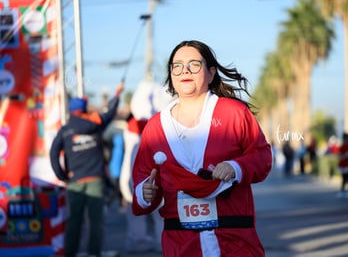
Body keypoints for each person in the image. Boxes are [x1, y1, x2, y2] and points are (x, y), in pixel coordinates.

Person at [131, 40, 272, 256]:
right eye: (177, 66)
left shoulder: (234, 113)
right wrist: (145, 192)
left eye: (194, 64)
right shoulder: (155, 127)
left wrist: (236, 167)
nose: (185, 70)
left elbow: (262, 157)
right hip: (181, 244)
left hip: (234, 240)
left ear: (211, 72)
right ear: (171, 74)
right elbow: (143, 177)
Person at [49, 82, 124, 257]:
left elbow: (53, 153)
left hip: (74, 181)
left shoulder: (65, 130)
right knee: (96, 221)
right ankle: (94, 253)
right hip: (95, 180)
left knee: (74, 221)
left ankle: (71, 253)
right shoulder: (96, 123)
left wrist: (63, 176)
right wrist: (117, 94)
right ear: (84, 109)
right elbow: (110, 112)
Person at [119, 114, 162, 252]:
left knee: (137, 216)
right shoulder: (151, 143)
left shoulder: (136, 145)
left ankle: (138, 240)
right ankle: (159, 242)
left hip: (136, 184)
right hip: (149, 184)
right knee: (160, 215)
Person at [337, 133, 348, 198]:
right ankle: (343, 190)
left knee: (347, 178)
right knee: (344, 178)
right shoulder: (344, 144)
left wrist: (343, 156)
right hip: (344, 164)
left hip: (347, 164)